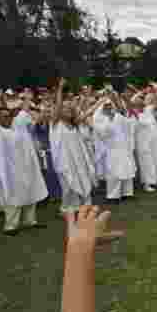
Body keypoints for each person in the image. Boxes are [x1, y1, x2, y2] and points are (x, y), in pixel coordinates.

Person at [0, 84, 48, 234]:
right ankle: (11, 226)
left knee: (30, 192)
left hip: (26, 168)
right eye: (4, 116)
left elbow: (24, 110)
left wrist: (27, 97)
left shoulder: (17, 125)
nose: (8, 118)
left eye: (9, 116)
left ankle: (30, 221)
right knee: (12, 197)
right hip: (9, 172)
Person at [50, 80, 98, 214]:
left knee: (83, 180)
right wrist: (60, 89)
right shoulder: (55, 124)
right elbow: (57, 106)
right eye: (64, 109)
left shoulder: (75, 124)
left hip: (79, 160)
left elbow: (86, 112)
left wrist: (92, 99)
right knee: (68, 186)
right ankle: (68, 208)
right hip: (64, 161)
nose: (68, 110)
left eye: (70, 109)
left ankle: (84, 205)